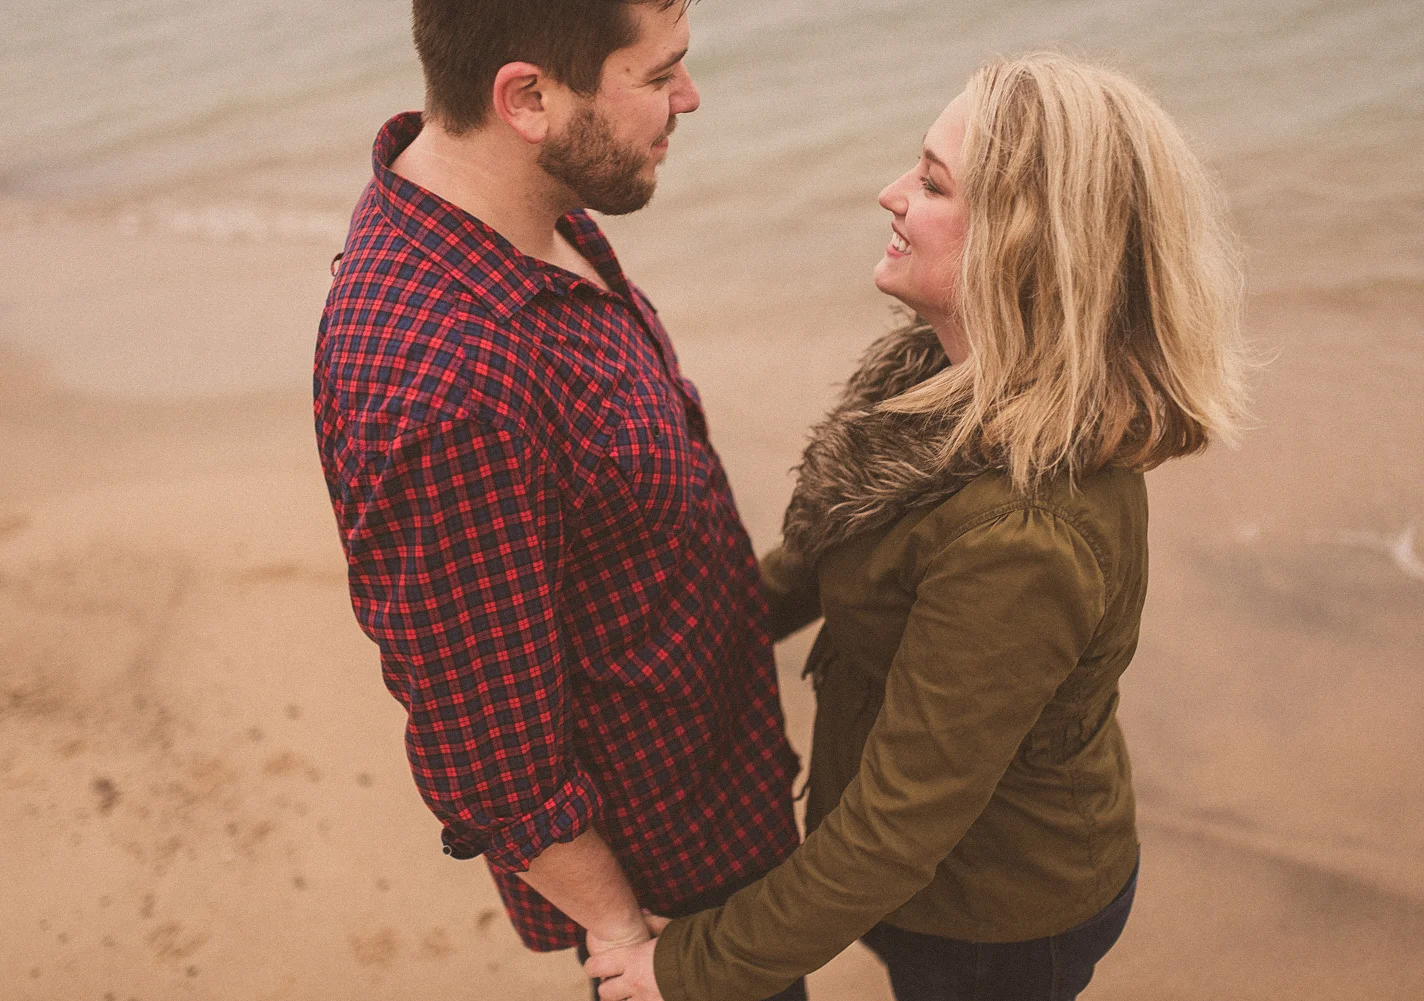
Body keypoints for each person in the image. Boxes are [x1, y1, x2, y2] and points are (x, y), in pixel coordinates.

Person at [586, 52, 1249, 1001]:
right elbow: (816, 564)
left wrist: (687, 967)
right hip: (920, 884)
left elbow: (894, 831)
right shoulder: (938, 382)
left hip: (999, 918)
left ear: (1025, 241)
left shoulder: (1022, 537)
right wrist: (628, 646)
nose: (890, 193)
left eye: (934, 184)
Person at [312, 3, 806, 998]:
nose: (689, 99)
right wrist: (624, 932)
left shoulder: (534, 206)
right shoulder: (440, 386)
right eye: (658, 75)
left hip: (722, 786)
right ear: (527, 98)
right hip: (668, 892)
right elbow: (490, 750)